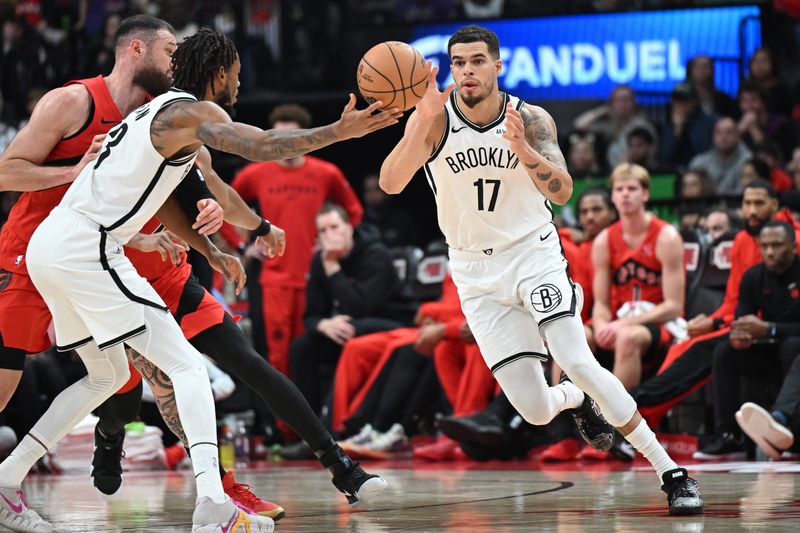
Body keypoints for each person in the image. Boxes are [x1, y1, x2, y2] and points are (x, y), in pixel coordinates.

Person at [0, 23, 400, 533]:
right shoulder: (187, 110)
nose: (240, 86)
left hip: (57, 247)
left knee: (104, 376)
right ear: (218, 73)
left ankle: (7, 481)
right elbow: (258, 144)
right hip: (85, 247)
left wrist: (210, 247)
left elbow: (163, 199)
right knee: (188, 368)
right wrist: (340, 132)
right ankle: (214, 504)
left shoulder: (154, 115)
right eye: (236, 75)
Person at [379, 24, 703, 515]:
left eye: (477, 61)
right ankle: (577, 400)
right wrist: (420, 122)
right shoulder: (433, 121)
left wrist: (525, 151)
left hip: (533, 256)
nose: (467, 71)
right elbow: (390, 182)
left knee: (578, 359)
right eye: (459, 63)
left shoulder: (530, 118)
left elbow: (563, 191)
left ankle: (670, 472)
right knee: (533, 409)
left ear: (497, 65)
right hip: (474, 274)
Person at [633, 180, 800, 428]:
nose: (752, 210)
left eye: (759, 203)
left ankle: (631, 408)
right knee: (689, 345)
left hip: (781, 332)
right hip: (748, 329)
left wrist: (727, 324)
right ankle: (640, 416)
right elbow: (734, 302)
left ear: (774, 205)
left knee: (704, 349)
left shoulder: (794, 240)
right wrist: (713, 321)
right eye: (747, 203)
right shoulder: (743, 241)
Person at [231, 104, 363, 378]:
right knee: (275, 358)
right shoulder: (256, 173)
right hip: (274, 280)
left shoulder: (326, 173)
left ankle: (310, 419)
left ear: (304, 136)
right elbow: (223, 206)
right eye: (277, 137)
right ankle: (277, 422)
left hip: (314, 279)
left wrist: (334, 243)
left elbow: (354, 212)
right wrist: (242, 246)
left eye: (290, 137)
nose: (283, 144)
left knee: (307, 355)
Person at [696, 221, 800, 459]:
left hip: (793, 353)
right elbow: (743, 319)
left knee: (793, 347)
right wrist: (740, 336)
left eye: (776, 245)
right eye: (764, 246)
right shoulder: (753, 276)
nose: (770, 252)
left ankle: (782, 422)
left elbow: (769, 330)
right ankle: (728, 436)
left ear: (793, 246)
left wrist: (770, 329)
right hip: (772, 354)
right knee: (725, 352)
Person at [591, 164, 686, 391]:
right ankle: (561, 425)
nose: (625, 194)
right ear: (612, 196)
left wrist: (621, 324)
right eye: (619, 189)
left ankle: (617, 422)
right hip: (619, 319)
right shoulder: (604, 240)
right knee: (574, 337)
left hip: (657, 322)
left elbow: (674, 306)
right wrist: (602, 325)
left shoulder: (666, 236)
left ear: (645, 194)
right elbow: (601, 303)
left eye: (632, 188)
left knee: (627, 337)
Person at [689, 117, 752, 195]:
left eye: (729, 132)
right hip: (704, 206)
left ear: (738, 136)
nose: (723, 137)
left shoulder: (747, 161)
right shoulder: (699, 163)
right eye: (718, 132)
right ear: (712, 136)